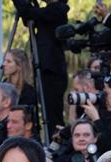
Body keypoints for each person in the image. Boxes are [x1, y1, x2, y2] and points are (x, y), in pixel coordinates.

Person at [12, 0, 70, 136]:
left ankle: (56, 143)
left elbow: (30, 12)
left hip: (52, 69)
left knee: (52, 113)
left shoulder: (58, 9)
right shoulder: (48, 11)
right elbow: (28, 19)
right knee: (46, 110)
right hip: (45, 68)